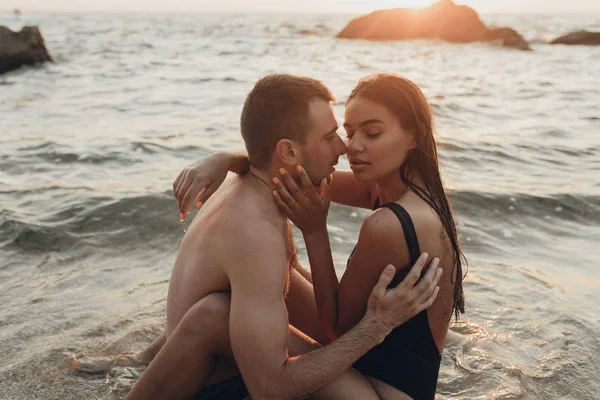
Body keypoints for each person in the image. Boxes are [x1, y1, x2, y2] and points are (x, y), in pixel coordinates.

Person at [123, 74, 442, 400]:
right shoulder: (415, 198)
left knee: (220, 311)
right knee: (236, 301)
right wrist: (229, 159)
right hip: (383, 372)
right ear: (288, 151)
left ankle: (146, 367)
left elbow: (334, 330)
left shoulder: (387, 216)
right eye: (339, 134)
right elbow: (270, 161)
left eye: (371, 133)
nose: (346, 147)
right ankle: (147, 361)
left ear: (412, 135)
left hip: (381, 387)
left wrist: (377, 323)